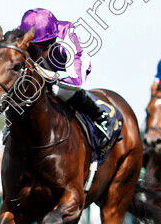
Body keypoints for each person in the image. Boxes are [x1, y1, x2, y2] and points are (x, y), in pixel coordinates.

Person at [18, 8, 111, 141]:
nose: (36, 55)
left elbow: (77, 81)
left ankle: (99, 115)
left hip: (70, 70)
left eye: (41, 48)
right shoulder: (20, 35)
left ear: (52, 41)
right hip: (45, 68)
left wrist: (49, 75)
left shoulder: (67, 36)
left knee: (57, 90)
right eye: (32, 48)